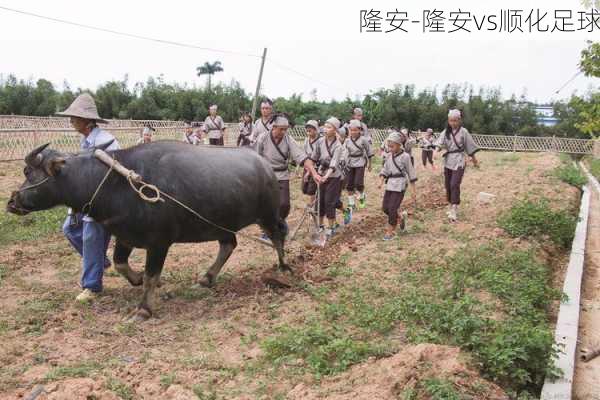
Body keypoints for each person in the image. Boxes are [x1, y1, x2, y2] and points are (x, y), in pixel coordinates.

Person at [56, 93, 120, 302]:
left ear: (86, 121)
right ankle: (101, 262)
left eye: (74, 117)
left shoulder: (107, 142)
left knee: (91, 236)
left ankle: (92, 286)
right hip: (84, 198)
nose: (71, 121)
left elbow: (115, 174)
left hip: (102, 200)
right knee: (70, 228)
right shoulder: (86, 141)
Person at [256, 113, 318, 238]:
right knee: (267, 204)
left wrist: (314, 172)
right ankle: (267, 229)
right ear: (274, 127)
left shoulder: (288, 139)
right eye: (281, 129)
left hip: (282, 174)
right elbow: (256, 157)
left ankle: (279, 221)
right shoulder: (262, 138)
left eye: (286, 129)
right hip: (266, 174)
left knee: (284, 204)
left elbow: (301, 156)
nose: (284, 131)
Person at [434, 109, 480, 222]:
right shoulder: (446, 131)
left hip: (459, 160)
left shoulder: (464, 132)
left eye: (455, 121)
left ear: (459, 120)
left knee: (455, 184)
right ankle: (451, 205)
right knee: (448, 185)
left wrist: (474, 161)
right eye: (451, 121)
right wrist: (436, 151)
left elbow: (470, 148)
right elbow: (439, 143)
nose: (453, 123)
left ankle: (454, 208)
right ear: (448, 120)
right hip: (448, 160)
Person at [309, 117, 345, 238]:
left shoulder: (338, 146)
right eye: (325, 126)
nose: (326, 129)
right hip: (321, 173)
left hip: (333, 176)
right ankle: (320, 226)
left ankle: (331, 227)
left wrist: (326, 177)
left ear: (335, 130)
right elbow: (314, 157)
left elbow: (334, 164)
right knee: (319, 201)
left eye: (329, 127)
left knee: (329, 201)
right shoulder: (320, 141)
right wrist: (311, 172)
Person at [378, 131, 417, 241]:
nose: (390, 149)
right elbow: (385, 170)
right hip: (390, 184)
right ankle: (400, 217)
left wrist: (413, 191)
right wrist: (381, 181)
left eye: (392, 146)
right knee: (385, 208)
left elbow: (411, 172)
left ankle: (390, 231)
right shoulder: (389, 156)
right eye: (389, 146)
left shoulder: (405, 157)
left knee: (392, 208)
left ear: (399, 144)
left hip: (400, 185)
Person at [344, 119, 374, 212]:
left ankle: (362, 196)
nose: (353, 132)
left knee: (358, 183)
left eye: (355, 130)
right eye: (351, 130)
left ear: (360, 130)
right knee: (349, 184)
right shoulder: (347, 141)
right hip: (349, 162)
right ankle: (351, 204)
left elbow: (369, 151)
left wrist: (370, 163)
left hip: (360, 162)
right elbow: (344, 152)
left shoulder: (363, 140)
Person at [301, 120, 322, 207]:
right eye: (307, 130)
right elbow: (304, 154)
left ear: (316, 130)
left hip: (316, 167)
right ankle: (315, 200)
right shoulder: (306, 140)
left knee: (311, 189)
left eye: (311, 130)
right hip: (307, 166)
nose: (308, 132)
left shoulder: (320, 141)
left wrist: (310, 171)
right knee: (304, 188)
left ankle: (313, 206)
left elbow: (317, 157)